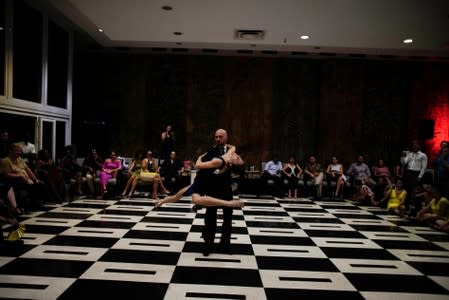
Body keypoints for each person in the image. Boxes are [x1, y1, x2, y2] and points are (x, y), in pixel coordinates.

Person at [154, 145, 244, 209]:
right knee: (178, 195)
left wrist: (200, 157)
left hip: (201, 183)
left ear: (232, 163)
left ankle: (228, 204)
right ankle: (162, 201)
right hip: (200, 181)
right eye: (238, 156)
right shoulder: (227, 157)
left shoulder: (220, 161)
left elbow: (197, 165)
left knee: (195, 199)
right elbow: (233, 148)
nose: (236, 155)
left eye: (237, 158)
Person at [201, 129, 241, 256]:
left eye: (220, 137)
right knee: (210, 219)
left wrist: (233, 164)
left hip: (226, 189)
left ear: (226, 138)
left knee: (228, 219)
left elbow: (239, 168)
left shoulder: (232, 153)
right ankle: (208, 245)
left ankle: (225, 245)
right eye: (216, 137)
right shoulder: (210, 151)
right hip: (213, 189)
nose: (218, 139)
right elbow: (206, 168)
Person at [0, 143, 46, 211]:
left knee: (40, 183)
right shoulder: (5, 161)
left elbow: (27, 169)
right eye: (16, 151)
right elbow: (6, 175)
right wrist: (20, 176)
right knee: (31, 186)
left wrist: (35, 179)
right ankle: (33, 205)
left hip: (25, 179)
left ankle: (36, 203)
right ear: (10, 151)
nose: (19, 152)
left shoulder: (19, 159)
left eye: (19, 151)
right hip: (14, 181)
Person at [401, 140, 428, 214]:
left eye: (416, 145)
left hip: (416, 173)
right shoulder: (410, 154)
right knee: (407, 190)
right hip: (408, 172)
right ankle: (405, 207)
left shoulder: (423, 155)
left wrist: (420, 176)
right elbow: (404, 163)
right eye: (413, 145)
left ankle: (412, 208)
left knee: (414, 191)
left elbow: (424, 167)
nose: (414, 146)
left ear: (419, 146)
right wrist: (404, 156)